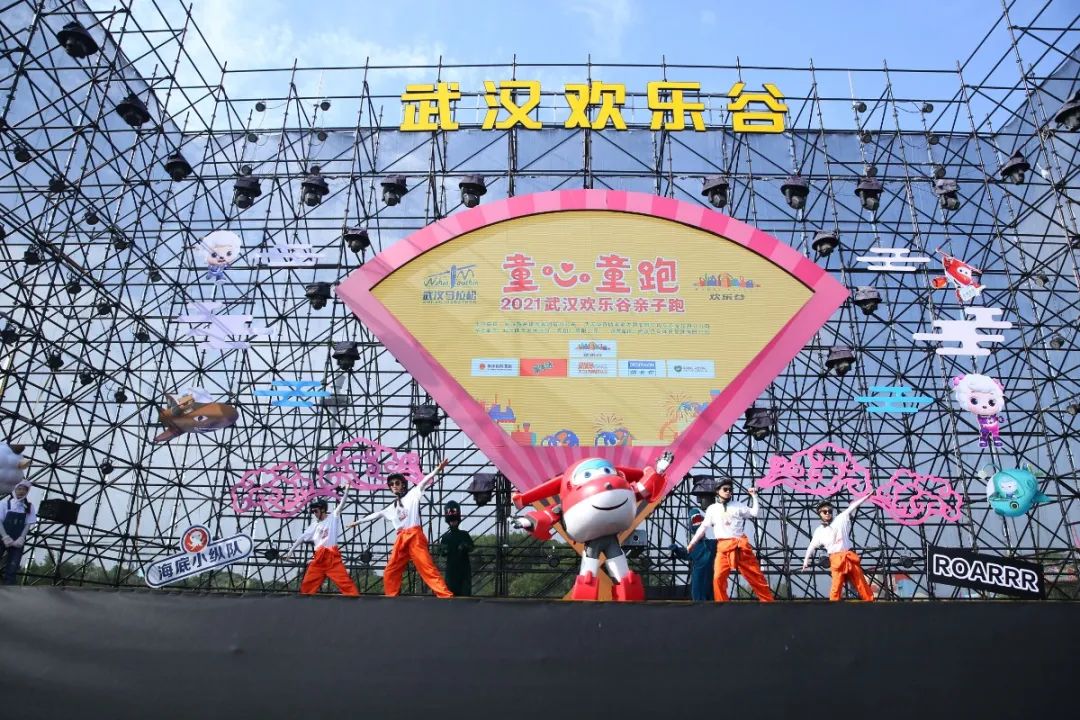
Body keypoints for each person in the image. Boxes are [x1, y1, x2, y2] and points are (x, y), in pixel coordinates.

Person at [350, 459, 453, 598]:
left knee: (426, 567)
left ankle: (445, 595)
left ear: (403, 484)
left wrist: (438, 469)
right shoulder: (392, 507)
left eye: (397, 483)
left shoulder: (413, 494)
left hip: (414, 536)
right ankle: (391, 597)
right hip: (401, 538)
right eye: (391, 484)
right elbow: (377, 514)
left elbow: (424, 481)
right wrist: (358, 522)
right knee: (390, 570)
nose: (394, 486)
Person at [688, 479, 774, 602]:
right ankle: (722, 606)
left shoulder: (738, 505)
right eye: (725, 489)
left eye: (730, 489)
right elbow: (703, 527)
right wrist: (692, 543)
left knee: (756, 577)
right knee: (718, 578)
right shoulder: (712, 509)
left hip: (740, 547)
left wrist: (754, 496)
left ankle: (768, 603)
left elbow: (754, 513)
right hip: (723, 548)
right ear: (717, 491)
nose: (728, 491)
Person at [800, 495, 875, 602]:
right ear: (819, 513)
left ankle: (870, 602)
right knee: (837, 584)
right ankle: (833, 606)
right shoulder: (819, 531)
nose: (827, 513)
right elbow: (811, 546)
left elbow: (853, 506)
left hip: (848, 556)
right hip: (836, 559)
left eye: (829, 511)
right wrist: (806, 560)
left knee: (860, 581)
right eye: (824, 511)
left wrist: (867, 496)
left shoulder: (840, 518)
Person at [283, 495, 359, 596]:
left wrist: (347, 490)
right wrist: (291, 550)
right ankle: (304, 603)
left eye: (316, 511)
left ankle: (355, 601)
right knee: (307, 584)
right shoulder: (315, 525)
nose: (314, 514)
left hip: (332, 557)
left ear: (323, 510)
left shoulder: (333, 517)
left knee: (345, 583)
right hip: (319, 558)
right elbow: (302, 537)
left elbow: (341, 504)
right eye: (313, 512)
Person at [669, 507, 716, 601]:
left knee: (711, 599)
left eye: (700, 520)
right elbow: (685, 553)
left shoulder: (712, 544)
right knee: (699, 600)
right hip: (699, 579)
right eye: (695, 521)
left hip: (710, 578)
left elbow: (724, 545)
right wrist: (677, 550)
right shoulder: (694, 547)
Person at [0, 480, 36, 585]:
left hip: (18, 540)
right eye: (19, 489)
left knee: (13, 566)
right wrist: (5, 537)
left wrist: (21, 538)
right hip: (2, 537)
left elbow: (28, 524)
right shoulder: (4, 504)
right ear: (14, 490)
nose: (21, 491)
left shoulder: (29, 506)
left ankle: (9, 588)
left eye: (24, 489)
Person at [438, 501, 474, 596]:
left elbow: (471, 547)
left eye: (454, 521)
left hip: (463, 569)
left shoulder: (463, 534)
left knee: (464, 592)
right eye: (452, 521)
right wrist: (444, 550)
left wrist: (465, 546)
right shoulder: (446, 537)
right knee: (452, 591)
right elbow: (442, 552)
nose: (453, 523)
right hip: (452, 569)